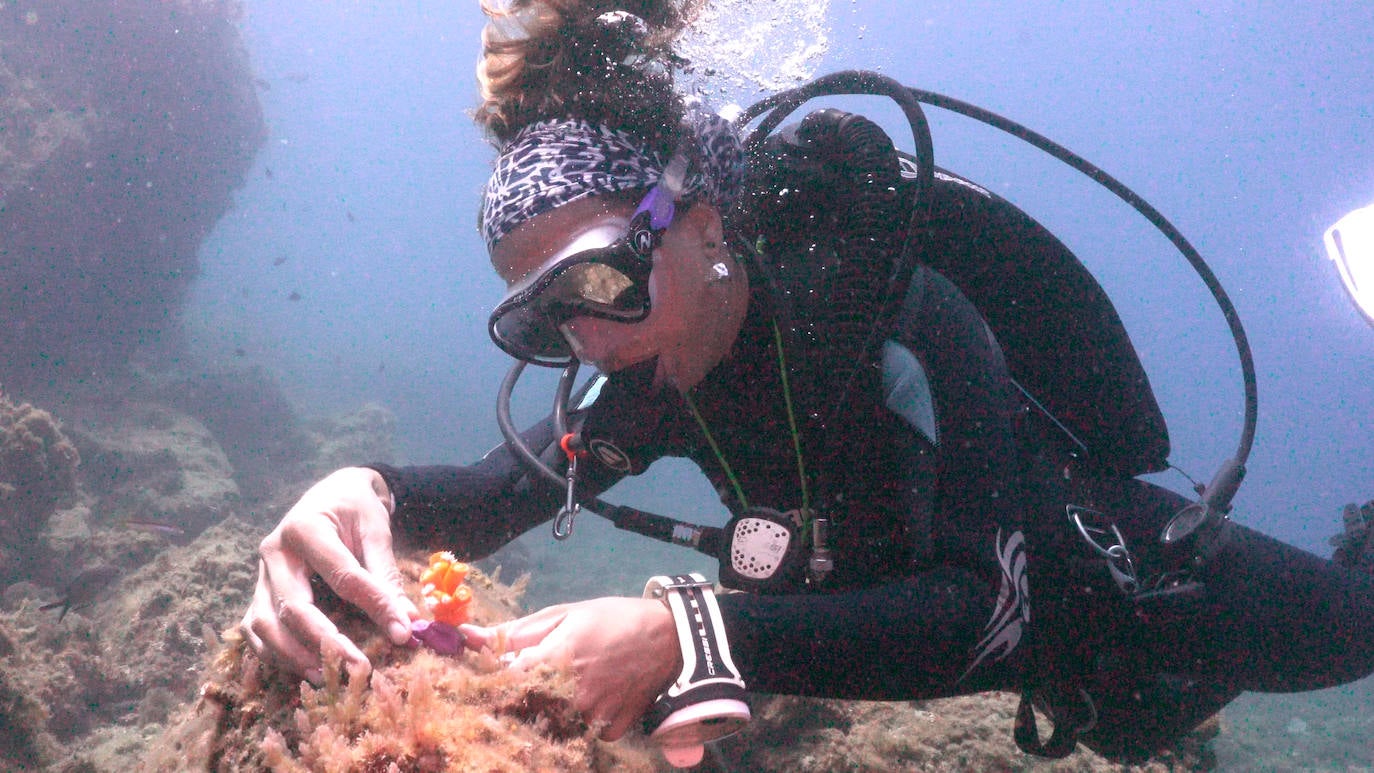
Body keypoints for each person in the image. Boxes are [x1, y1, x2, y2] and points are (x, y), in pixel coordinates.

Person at [242, 0, 1374, 763]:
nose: (584, 340)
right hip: (1072, 688)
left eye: (599, 278)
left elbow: (990, 609)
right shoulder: (647, 368)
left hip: (1140, 594)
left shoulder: (891, 308)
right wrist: (359, 493)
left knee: (1360, 627)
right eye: (541, 316)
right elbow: (494, 493)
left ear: (699, 216)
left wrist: (689, 634)